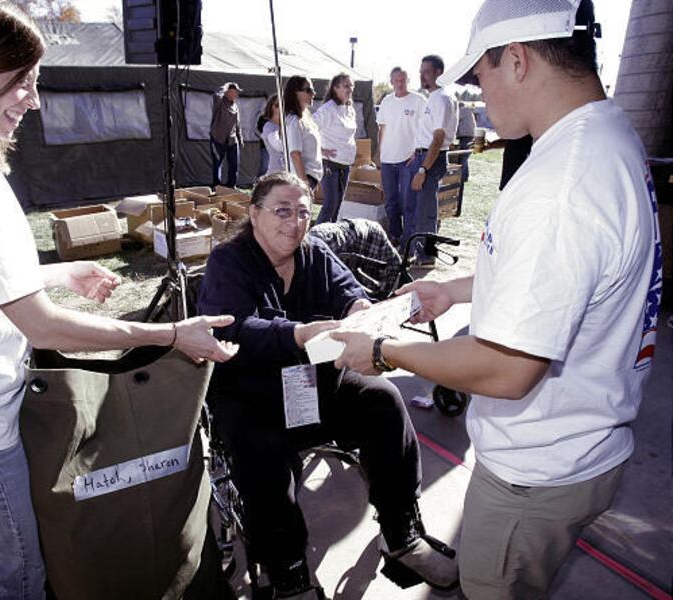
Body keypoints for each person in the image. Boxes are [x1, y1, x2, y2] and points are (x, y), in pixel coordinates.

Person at [0, 2, 238, 598]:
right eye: (19, 80)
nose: (33, 97)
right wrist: (169, 335)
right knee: (20, 579)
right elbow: (42, 327)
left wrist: (62, 269)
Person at [333, 1, 663, 598]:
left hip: (533, 475)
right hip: (588, 447)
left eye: (479, 75)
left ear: (516, 60)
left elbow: (508, 369)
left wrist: (385, 353)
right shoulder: (607, 136)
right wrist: (453, 289)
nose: (478, 95)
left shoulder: (558, 185)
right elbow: (559, 281)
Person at [198, 172, 458, 599]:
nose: (295, 222)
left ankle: (401, 534)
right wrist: (299, 334)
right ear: (254, 213)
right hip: (250, 392)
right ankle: (288, 571)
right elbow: (234, 328)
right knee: (260, 451)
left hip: (312, 383)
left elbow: (349, 291)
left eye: (303, 211)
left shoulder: (314, 251)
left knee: (384, 402)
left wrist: (362, 312)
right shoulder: (228, 260)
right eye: (282, 210)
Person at [409, 55, 458, 266]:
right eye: (420, 72)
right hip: (425, 156)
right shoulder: (435, 97)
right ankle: (422, 252)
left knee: (426, 210)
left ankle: (426, 256)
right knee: (423, 208)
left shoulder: (441, 98)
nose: (421, 76)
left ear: (439, 72)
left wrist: (423, 169)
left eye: (426, 72)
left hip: (431, 159)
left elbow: (438, 138)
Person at [376, 67, 426, 250]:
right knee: (390, 202)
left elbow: (426, 129)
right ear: (391, 81)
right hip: (388, 159)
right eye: (396, 80)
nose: (399, 83)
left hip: (408, 160)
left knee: (408, 203)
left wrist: (417, 152)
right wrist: (379, 154)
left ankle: (407, 242)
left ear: (408, 80)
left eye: (403, 80)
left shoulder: (418, 101)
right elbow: (382, 129)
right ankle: (395, 236)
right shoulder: (387, 102)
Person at [312, 73, 357, 224]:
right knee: (329, 205)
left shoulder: (350, 108)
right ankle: (315, 241)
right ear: (335, 88)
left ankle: (330, 239)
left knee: (337, 206)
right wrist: (320, 150)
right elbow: (309, 131)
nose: (350, 89)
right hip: (329, 163)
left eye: (351, 85)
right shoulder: (327, 109)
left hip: (345, 163)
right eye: (346, 86)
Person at [283, 76, 323, 191]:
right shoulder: (294, 121)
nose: (314, 93)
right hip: (301, 180)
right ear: (295, 93)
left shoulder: (305, 118)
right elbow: (295, 154)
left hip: (309, 178)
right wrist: (304, 184)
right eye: (309, 90)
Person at [210, 82, 243, 188]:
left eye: (237, 92)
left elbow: (237, 124)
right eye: (234, 92)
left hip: (232, 140)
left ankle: (231, 186)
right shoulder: (219, 102)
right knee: (217, 164)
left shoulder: (235, 106)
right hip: (218, 139)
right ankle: (216, 187)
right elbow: (216, 94)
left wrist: (240, 137)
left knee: (234, 165)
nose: (236, 94)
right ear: (228, 92)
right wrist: (225, 88)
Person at [259, 95, 286, 177]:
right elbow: (278, 146)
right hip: (276, 170)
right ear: (272, 107)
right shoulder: (269, 126)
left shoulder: (286, 125)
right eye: (279, 105)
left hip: (287, 171)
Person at [455, 101, 477, 193]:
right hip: (469, 137)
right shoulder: (468, 111)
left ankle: (462, 178)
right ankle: (465, 177)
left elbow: (455, 119)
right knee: (465, 157)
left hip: (466, 137)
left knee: (462, 158)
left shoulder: (463, 110)